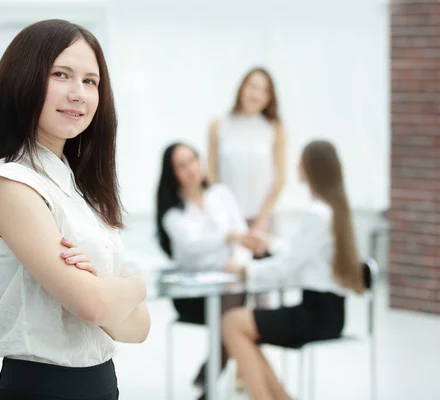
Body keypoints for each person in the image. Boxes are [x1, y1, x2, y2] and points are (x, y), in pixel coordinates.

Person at [0, 19, 150, 400]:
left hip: (102, 385)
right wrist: (136, 285)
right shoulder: (11, 185)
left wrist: (104, 292)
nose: (79, 93)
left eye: (91, 81)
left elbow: (139, 328)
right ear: (23, 80)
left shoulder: (78, 189)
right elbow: (95, 307)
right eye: (61, 74)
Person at [221, 140, 365, 400]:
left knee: (233, 323)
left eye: (301, 160)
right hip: (331, 314)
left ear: (311, 168)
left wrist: (245, 270)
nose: (297, 165)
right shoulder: (335, 211)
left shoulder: (316, 214)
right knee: (243, 329)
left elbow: (288, 268)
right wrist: (270, 243)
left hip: (314, 315)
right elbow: (302, 255)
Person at [155, 142, 268, 399]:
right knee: (236, 314)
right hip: (194, 295)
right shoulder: (173, 214)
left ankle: (209, 383)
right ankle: (213, 377)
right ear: (172, 174)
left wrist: (238, 261)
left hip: (230, 284)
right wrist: (229, 238)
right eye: (181, 166)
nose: (190, 169)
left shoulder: (221, 194)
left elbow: (243, 238)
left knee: (235, 304)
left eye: (193, 160)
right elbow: (193, 248)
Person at [207, 67, 286, 241]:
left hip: (264, 220)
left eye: (264, 90)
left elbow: (280, 179)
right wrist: (226, 216)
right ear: (242, 88)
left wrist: (261, 220)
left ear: (269, 97)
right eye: (252, 86)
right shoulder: (218, 125)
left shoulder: (275, 128)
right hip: (228, 221)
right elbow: (212, 176)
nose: (256, 94)